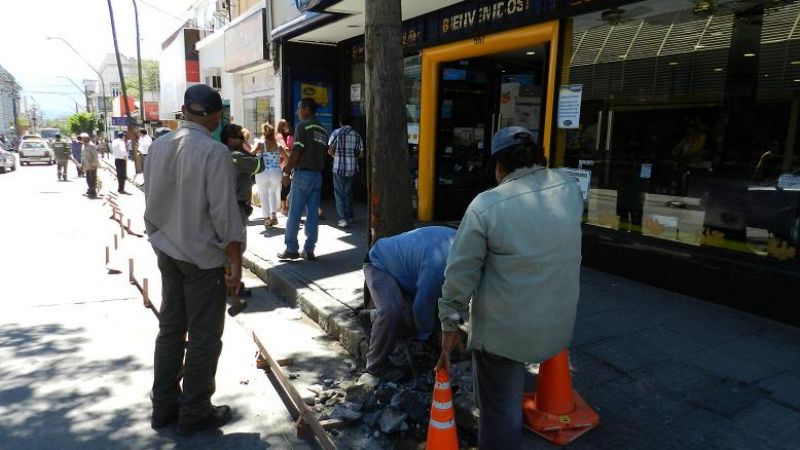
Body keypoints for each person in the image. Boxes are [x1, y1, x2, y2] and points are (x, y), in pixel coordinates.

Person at [436, 126, 583, 450]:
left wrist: (449, 327)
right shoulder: (569, 188)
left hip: (504, 336)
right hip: (558, 327)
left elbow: (460, 275)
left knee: (499, 411)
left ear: (499, 165)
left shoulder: (487, 205)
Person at [144, 84, 243, 436]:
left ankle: (163, 407)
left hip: (167, 251)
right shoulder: (214, 152)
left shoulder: (158, 147)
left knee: (171, 330)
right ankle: (195, 411)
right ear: (216, 116)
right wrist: (235, 261)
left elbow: (149, 200)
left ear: (185, 111)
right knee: (204, 336)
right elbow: (224, 214)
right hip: (202, 259)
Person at [361, 226, 456, 380]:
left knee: (429, 317)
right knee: (392, 312)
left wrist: (451, 328)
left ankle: (373, 318)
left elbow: (455, 299)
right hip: (379, 262)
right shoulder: (438, 265)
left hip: (409, 271)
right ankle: (375, 366)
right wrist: (425, 337)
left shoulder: (466, 250)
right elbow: (422, 305)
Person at [277, 98, 328, 261]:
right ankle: (309, 250)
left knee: (294, 213)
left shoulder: (302, 127)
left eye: (299, 108)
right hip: (317, 176)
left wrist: (286, 173)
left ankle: (291, 249)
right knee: (312, 214)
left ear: (306, 109)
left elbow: (296, 153)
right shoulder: (323, 130)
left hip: (303, 175)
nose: (297, 111)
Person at [221, 123, 264, 227]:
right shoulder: (236, 156)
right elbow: (260, 166)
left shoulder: (222, 152)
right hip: (237, 206)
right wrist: (257, 151)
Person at [328, 115, 363, 228]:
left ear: (340, 122)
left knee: (339, 193)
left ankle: (343, 219)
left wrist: (337, 156)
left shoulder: (336, 133)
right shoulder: (357, 135)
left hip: (338, 168)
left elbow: (330, 150)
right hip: (352, 168)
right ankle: (350, 216)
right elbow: (360, 154)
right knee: (349, 192)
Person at [254, 123, 286, 228]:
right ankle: (274, 216)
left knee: (263, 195)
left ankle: (267, 219)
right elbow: (287, 158)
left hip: (262, 173)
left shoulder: (260, 143)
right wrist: (281, 166)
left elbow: (251, 153)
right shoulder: (278, 145)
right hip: (276, 173)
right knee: (272, 193)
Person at [276, 119, 294, 215]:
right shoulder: (279, 136)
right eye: (287, 125)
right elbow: (285, 148)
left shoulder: (287, 135)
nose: (288, 127)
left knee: (288, 183)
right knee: (285, 184)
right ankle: (283, 206)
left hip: (287, 161)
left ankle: (286, 203)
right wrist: (293, 155)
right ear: (282, 126)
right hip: (283, 162)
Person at [79, 132, 100, 198]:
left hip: (92, 165)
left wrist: (94, 165)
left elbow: (95, 156)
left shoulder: (91, 145)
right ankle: (90, 189)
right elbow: (82, 156)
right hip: (86, 165)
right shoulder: (83, 145)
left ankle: (93, 191)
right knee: (88, 178)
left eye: (82, 139)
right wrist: (82, 165)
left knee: (92, 178)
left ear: (86, 138)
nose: (81, 140)